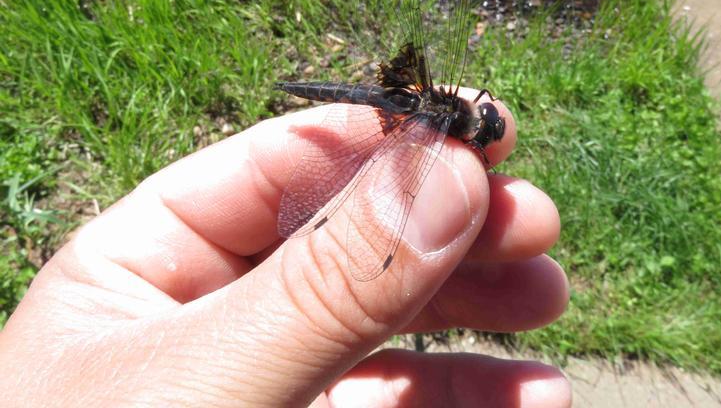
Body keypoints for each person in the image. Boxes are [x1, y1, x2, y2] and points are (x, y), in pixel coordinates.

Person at [0, 96, 571, 407]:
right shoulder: (434, 136)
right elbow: (379, 243)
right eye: (483, 128)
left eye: (486, 125)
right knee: (384, 241)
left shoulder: (445, 124)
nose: (487, 126)